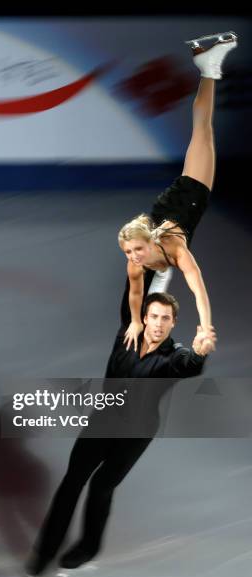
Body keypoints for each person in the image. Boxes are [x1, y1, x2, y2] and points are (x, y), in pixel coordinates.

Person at [25, 291, 215, 576]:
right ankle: (45, 551)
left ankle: (88, 547)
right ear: (143, 317)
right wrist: (163, 248)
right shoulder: (128, 332)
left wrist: (199, 354)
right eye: (153, 316)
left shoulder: (175, 356)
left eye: (165, 318)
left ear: (174, 322)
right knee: (72, 482)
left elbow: (188, 365)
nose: (158, 324)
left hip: (136, 434)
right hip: (102, 421)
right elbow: (135, 285)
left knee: (102, 486)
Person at [120, 31, 237, 352]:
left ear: (148, 243)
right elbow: (133, 294)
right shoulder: (135, 260)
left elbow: (199, 290)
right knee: (203, 131)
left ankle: (208, 68)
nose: (131, 258)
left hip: (190, 194)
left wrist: (205, 329)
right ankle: (207, 65)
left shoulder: (176, 249)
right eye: (129, 253)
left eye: (135, 251)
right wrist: (134, 321)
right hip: (167, 206)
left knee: (204, 130)